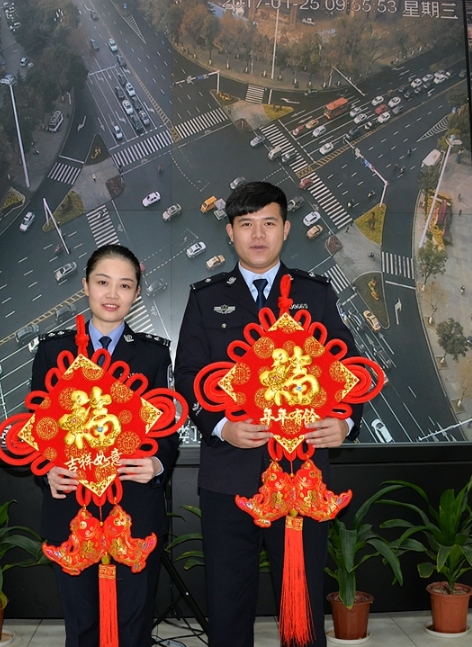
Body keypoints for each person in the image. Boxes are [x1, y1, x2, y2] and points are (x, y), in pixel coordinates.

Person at [174, 182, 362, 647]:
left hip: (303, 479)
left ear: (286, 229)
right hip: (229, 476)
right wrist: (221, 426)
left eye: (268, 223)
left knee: (302, 610)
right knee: (227, 608)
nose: (258, 235)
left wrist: (345, 422)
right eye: (246, 224)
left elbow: (350, 368)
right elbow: (188, 375)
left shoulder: (315, 294)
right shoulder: (205, 297)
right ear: (230, 233)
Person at [32, 244, 179, 647]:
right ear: (85, 286)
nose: (112, 294)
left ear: (136, 293)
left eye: (125, 285)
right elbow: (38, 428)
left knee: (133, 628)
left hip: (133, 510)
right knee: (82, 628)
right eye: (102, 282)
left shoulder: (152, 355)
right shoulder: (53, 351)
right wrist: (46, 471)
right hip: (71, 510)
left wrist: (157, 464)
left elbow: (166, 431)